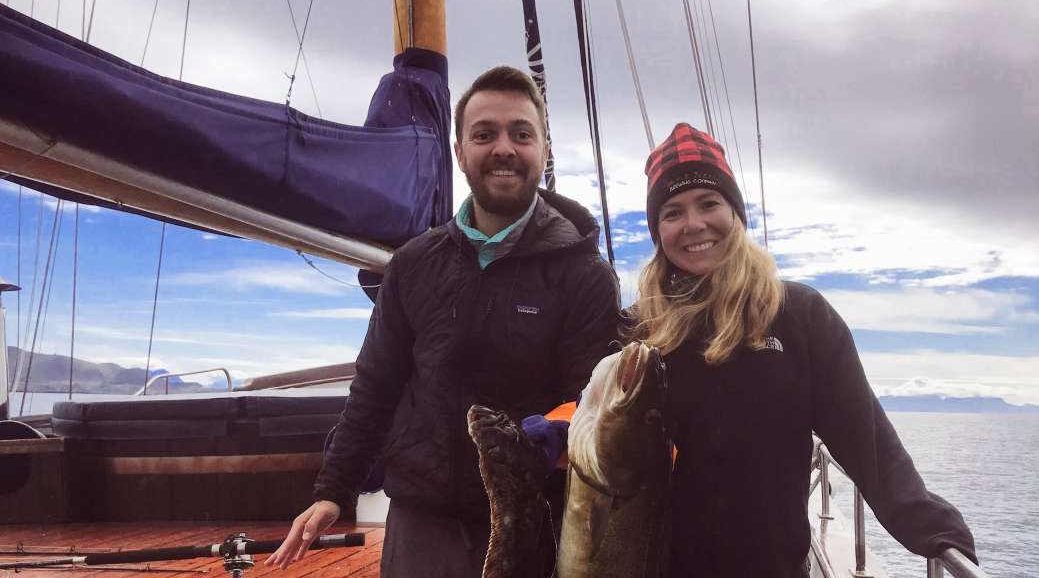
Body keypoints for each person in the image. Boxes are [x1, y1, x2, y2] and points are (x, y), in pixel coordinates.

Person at [266, 66, 620, 577]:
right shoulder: (414, 264)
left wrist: (550, 441)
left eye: (521, 134)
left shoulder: (584, 276)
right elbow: (376, 384)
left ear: (544, 151)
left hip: (533, 524)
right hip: (421, 526)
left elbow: (591, 408)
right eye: (484, 134)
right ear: (459, 151)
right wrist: (334, 490)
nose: (503, 148)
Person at [627, 123, 977, 577]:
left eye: (709, 203)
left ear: (735, 213)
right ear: (657, 230)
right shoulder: (638, 331)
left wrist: (936, 530)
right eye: (672, 212)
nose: (693, 224)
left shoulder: (799, 314)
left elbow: (864, 438)